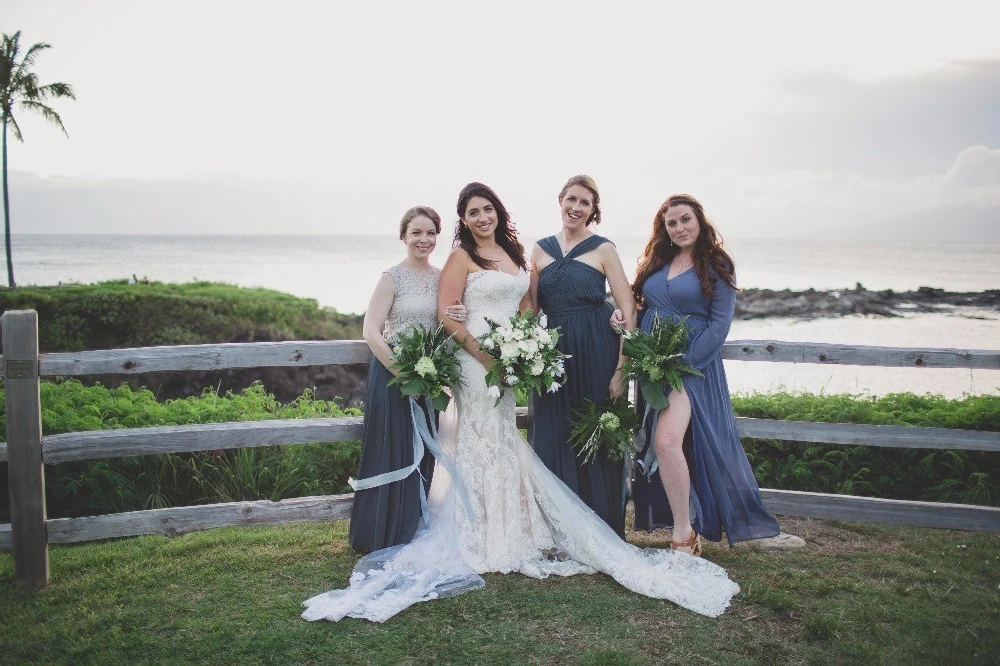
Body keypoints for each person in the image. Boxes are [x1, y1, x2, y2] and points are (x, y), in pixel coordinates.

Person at [303, 184, 739, 623]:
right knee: (487, 438)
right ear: (464, 219)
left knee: (508, 438)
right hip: (481, 361)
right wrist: (486, 347)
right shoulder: (481, 255)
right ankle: (486, 530)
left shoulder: (521, 254)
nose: (481, 217)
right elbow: (448, 311)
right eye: (473, 212)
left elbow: (533, 304)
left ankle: (525, 524)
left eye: (487, 209)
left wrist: (534, 344)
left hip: (527, 357)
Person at [613, 194, 780, 554]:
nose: (679, 228)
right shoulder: (660, 260)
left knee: (666, 441)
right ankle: (683, 531)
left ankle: (684, 535)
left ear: (700, 221)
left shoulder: (717, 264)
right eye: (671, 223)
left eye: (685, 219)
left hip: (691, 367)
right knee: (668, 444)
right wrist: (624, 317)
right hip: (654, 364)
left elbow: (719, 325)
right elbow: (642, 304)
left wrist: (682, 363)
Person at [347, 206, 466, 554]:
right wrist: (403, 372)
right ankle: (382, 531)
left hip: (430, 379)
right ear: (403, 236)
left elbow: (447, 325)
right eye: (416, 232)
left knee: (426, 449)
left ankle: (414, 525)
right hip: (392, 376)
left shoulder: (443, 278)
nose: (423, 240)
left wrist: (460, 314)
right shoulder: (391, 277)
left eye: (430, 233)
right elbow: (371, 331)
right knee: (392, 448)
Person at [528, 175, 636, 537]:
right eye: (571, 199)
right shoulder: (539, 250)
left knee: (596, 435)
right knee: (551, 433)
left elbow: (628, 308)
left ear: (594, 211)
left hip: (596, 348)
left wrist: (622, 369)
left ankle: (601, 527)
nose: (576, 207)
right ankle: (558, 530)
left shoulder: (604, 249)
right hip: (552, 355)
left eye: (584, 203)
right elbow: (529, 307)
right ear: (560, 200)